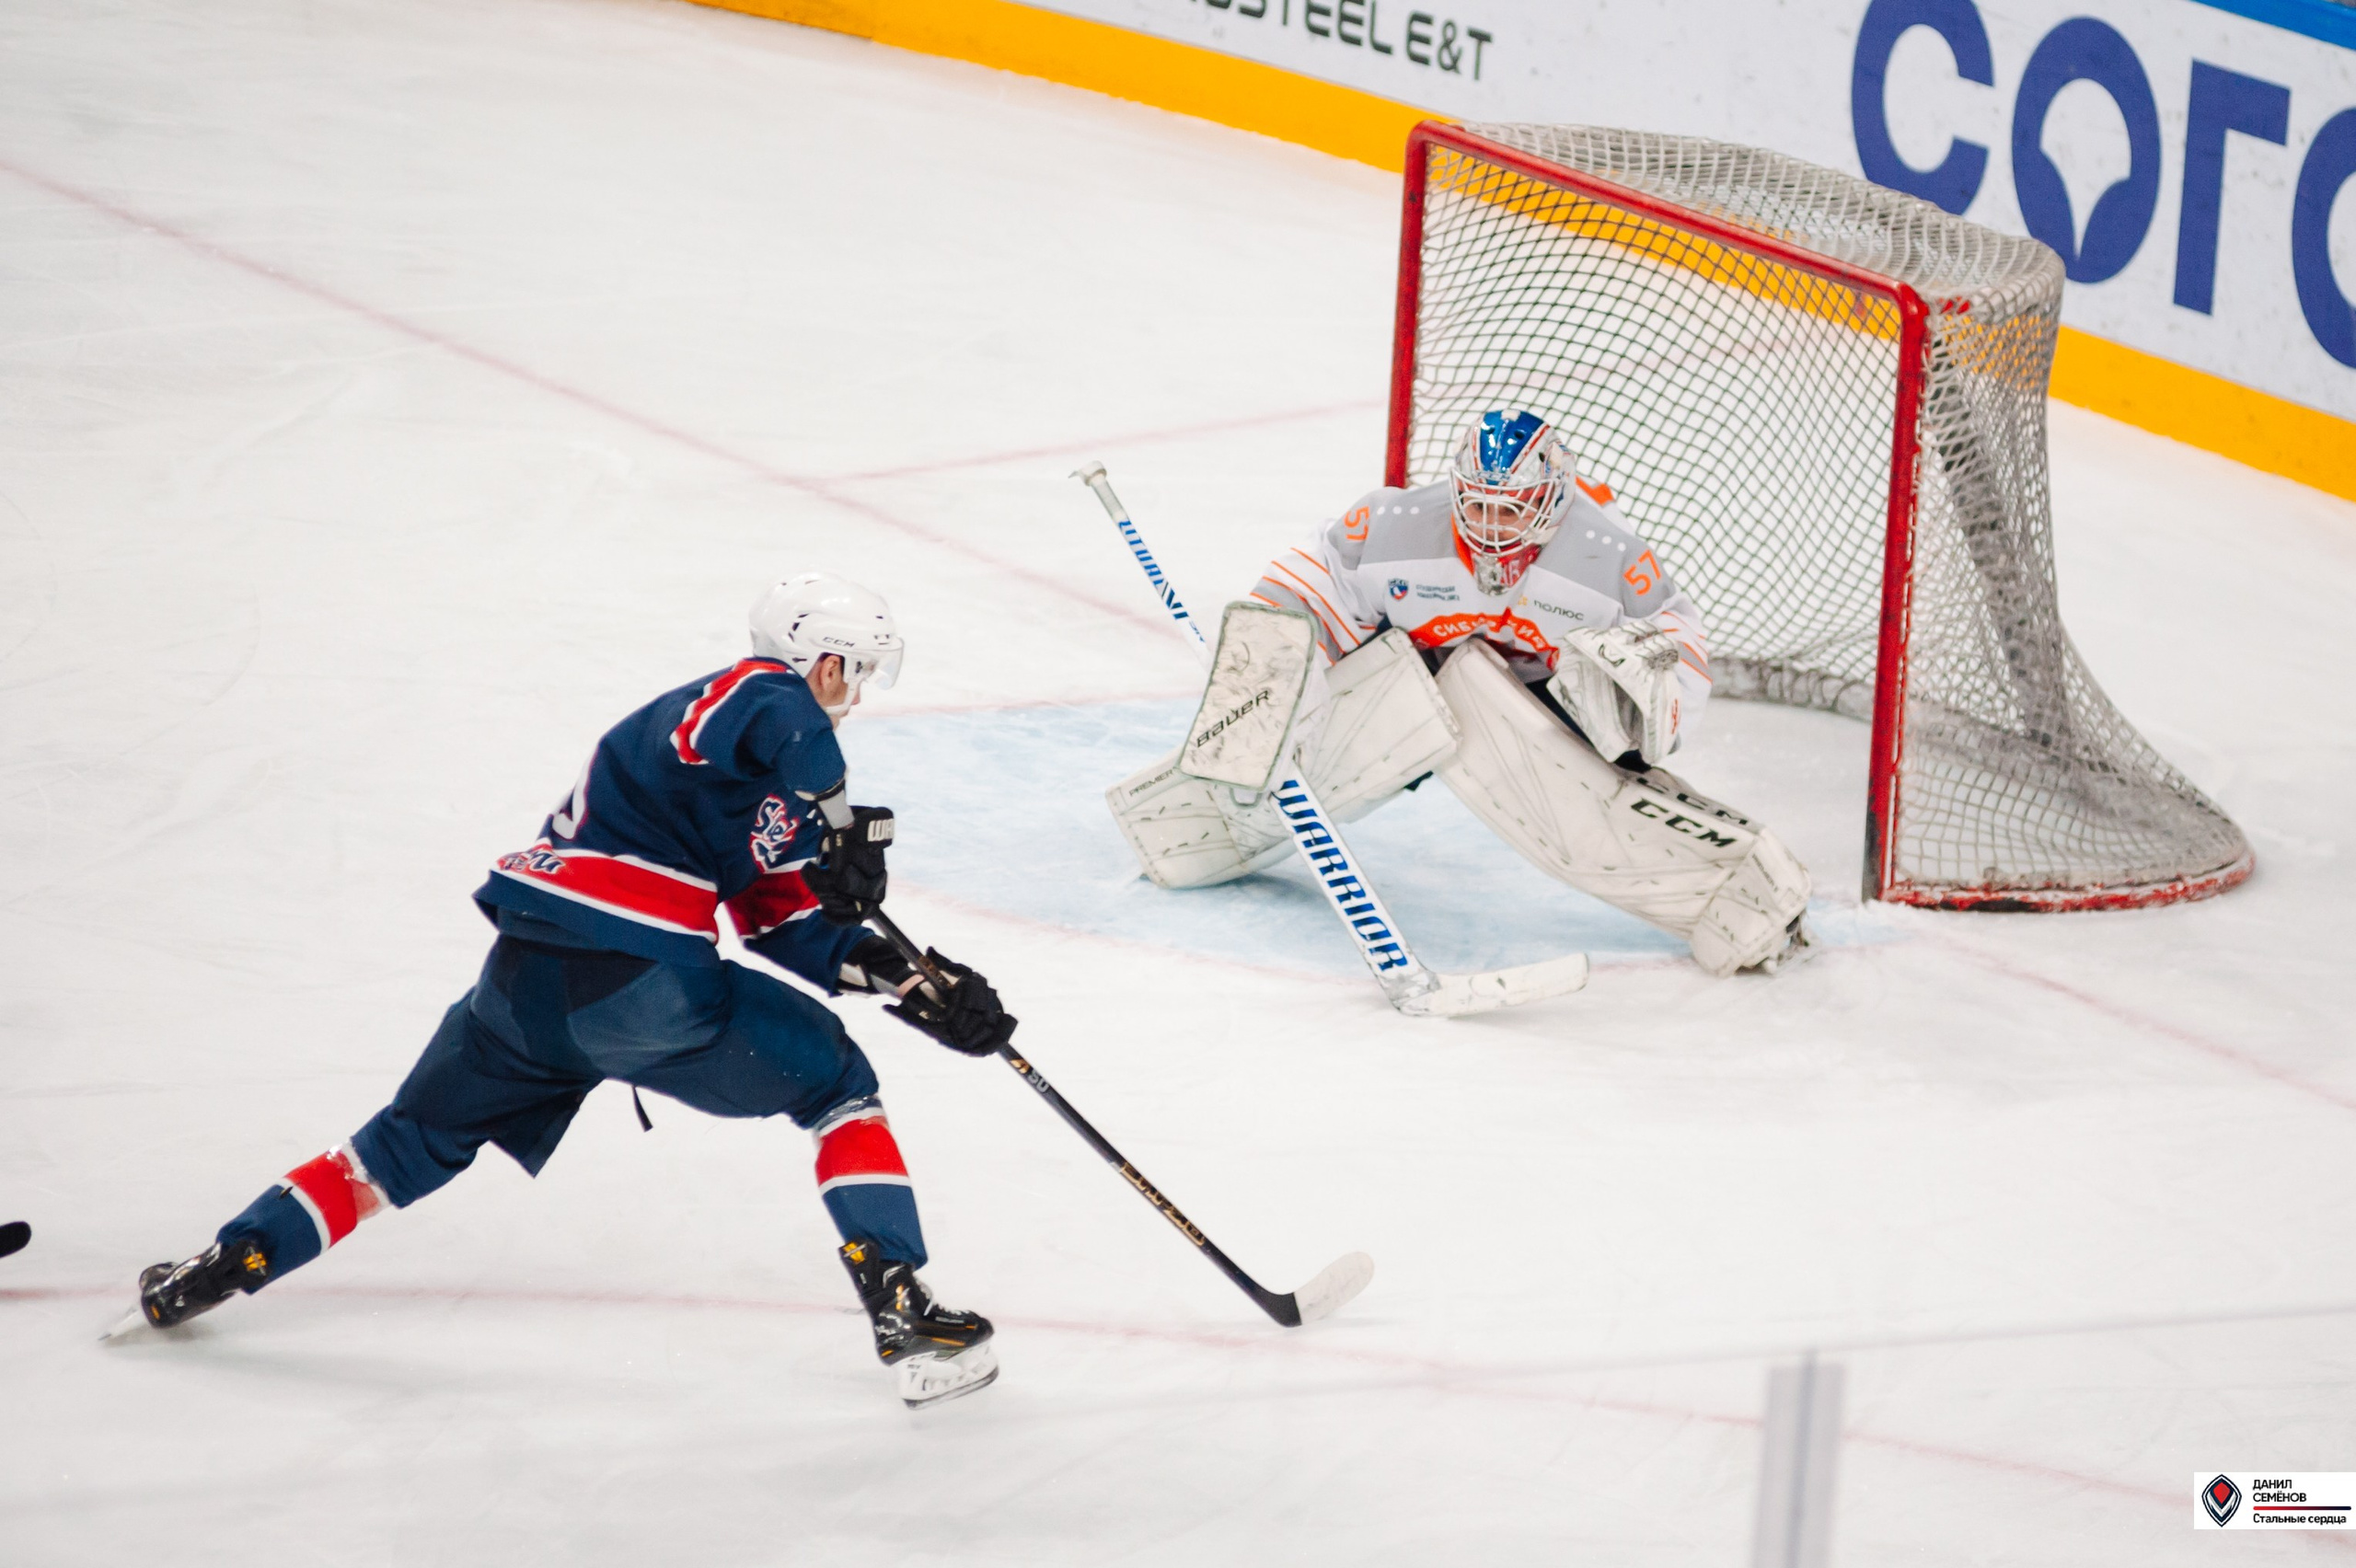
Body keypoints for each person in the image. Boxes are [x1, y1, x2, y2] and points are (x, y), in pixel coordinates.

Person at [121, 573, 1013, 1408]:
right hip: (641, 984)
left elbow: (785, 925)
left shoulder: (770, 785)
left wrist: (914, 981)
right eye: (850, 675)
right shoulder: (745, 701)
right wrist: (839, 816)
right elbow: (771, 709)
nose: (852, 697)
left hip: (523, 995)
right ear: (823, 661)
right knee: (836, 1088)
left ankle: (226, 1260)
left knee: (402, 1145)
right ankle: (901, 1308)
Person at [1109, 410, 1812, 976]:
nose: (1491, 525)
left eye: (1513, 510)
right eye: (1478, 504)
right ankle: (1183, 829)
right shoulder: (1398, 527)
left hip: (1541, 704)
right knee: (1343, 718)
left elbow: (1674, 639)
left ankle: (1743, 894)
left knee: (1582, 806)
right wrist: (1273, 670)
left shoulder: (1605, 555)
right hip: (1417, 677)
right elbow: (1313, 576)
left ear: (1552, 498)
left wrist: (1633, 703)